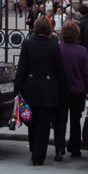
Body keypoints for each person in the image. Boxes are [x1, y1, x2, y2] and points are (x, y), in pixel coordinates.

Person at [15, 16, 66, 166]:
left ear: (35, 28)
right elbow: (60, 72)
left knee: (32, 121)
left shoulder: (27, 44)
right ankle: (39, 155)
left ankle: (34, 149)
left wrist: (17, 89)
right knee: (44, 124)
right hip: (48, 90)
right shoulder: (54, 46)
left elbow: (22, 68)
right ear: (49, 29)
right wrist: (64, 91)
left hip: (30, 88)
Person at [53, 20, 88, 160]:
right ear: (77, 34)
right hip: (77, 90)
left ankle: (59, 149)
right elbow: (86, 73)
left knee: (60, 120)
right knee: (75, 120)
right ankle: (75, 148)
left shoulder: (57, 48)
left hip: (60, 90)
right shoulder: (82, 51)